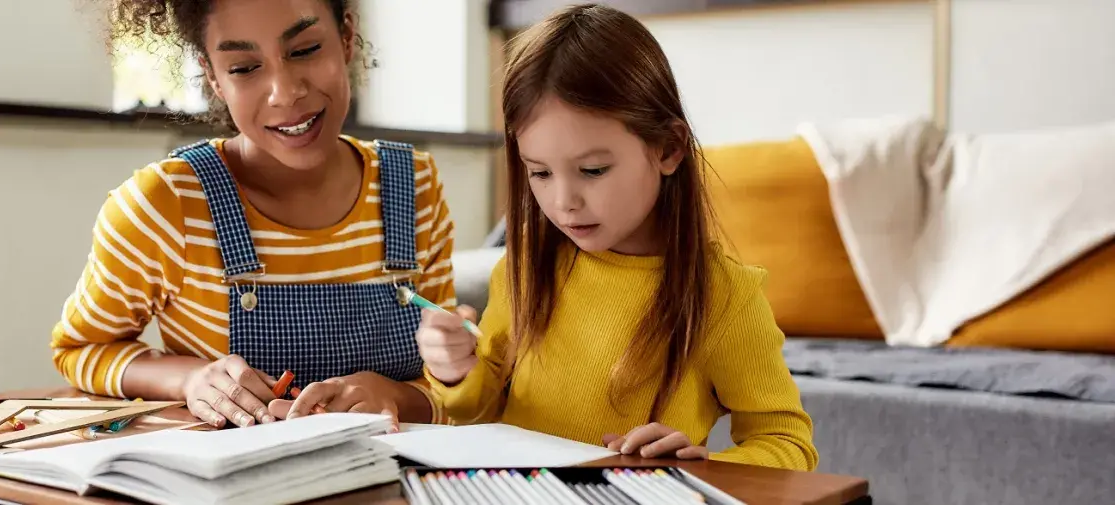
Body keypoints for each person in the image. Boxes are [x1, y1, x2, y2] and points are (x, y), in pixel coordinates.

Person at [414, 4, 818, 471]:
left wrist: (700, 465)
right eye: (539, 172)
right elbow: (478, 415)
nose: (563, 200)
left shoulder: (723, 296)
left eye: (593, 170)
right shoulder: (522, 269)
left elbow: (788, 443)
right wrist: (455, 370)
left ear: (667, 148)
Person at [49, 0, 459, 431]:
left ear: (346, 38)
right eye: (244, 68)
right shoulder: (165, 205)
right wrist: (189, 379)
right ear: (213, 76)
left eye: (304, 50)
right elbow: (80, 350)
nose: (285, 93)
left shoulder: (413, 185)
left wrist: (394, 395)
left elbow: (454, 387)